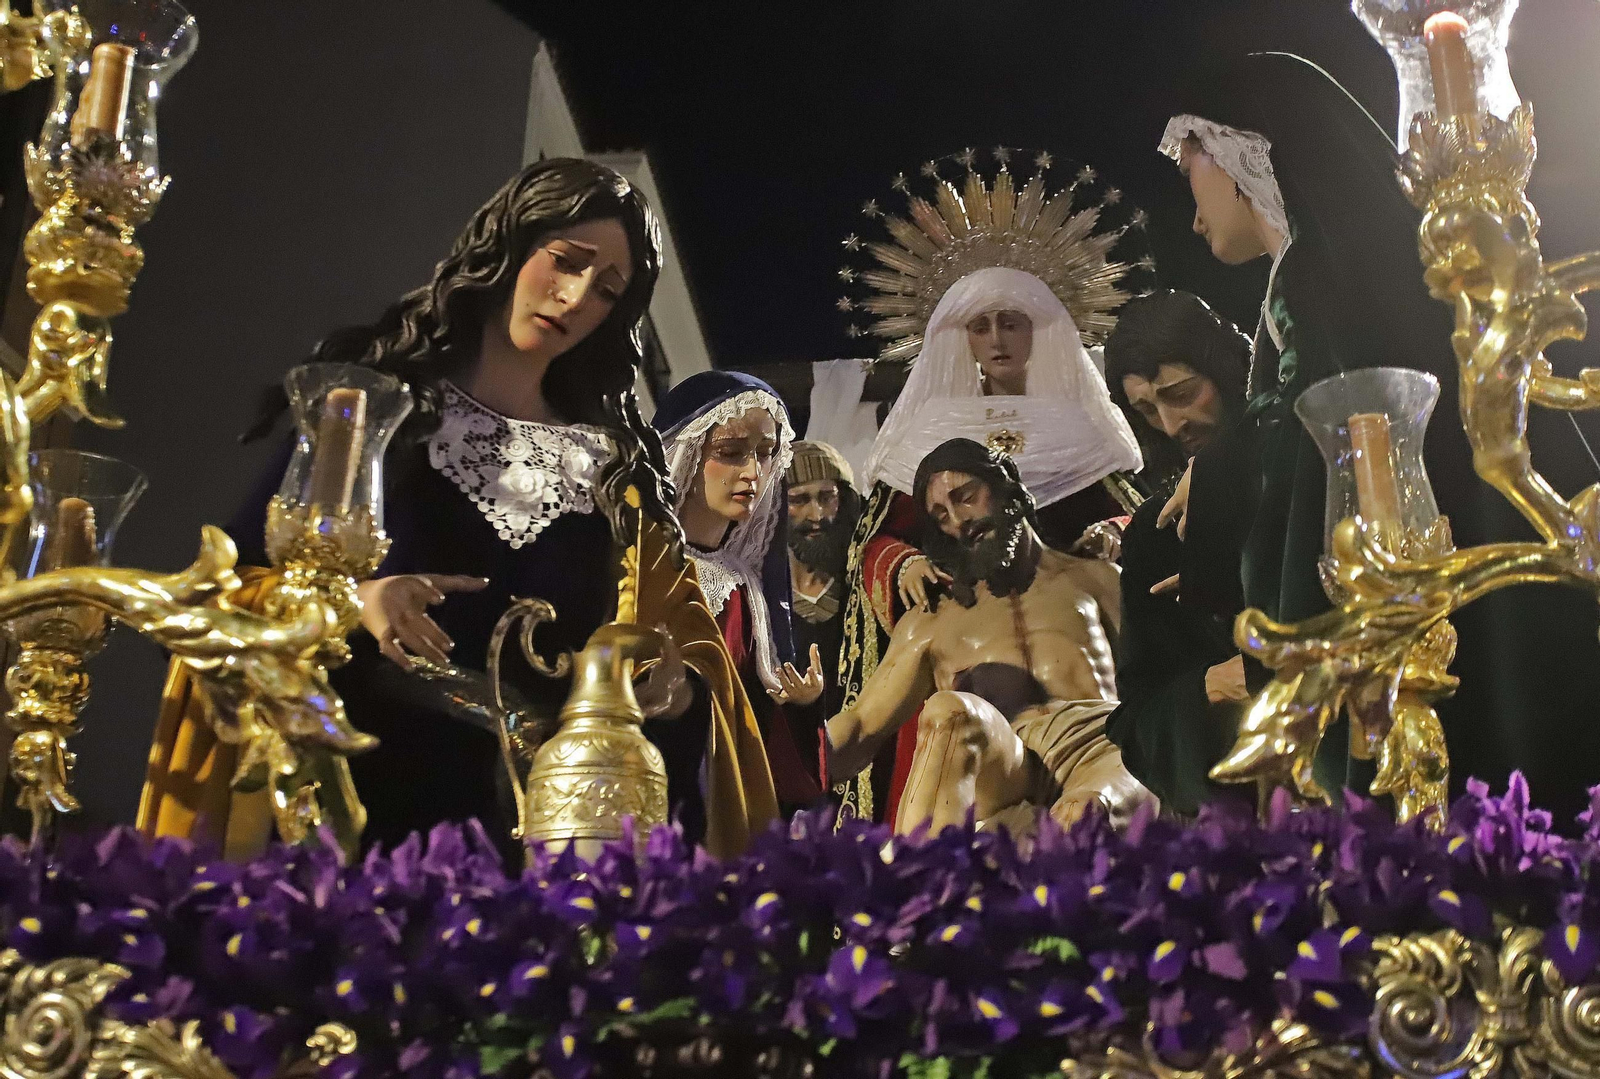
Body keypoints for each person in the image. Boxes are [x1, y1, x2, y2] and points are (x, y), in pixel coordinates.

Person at [139, 159, 780, 859]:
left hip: (534, 836)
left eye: (606, 291)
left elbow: (690, 663)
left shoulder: (613, 475)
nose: (573, 297)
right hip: (356, 806)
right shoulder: (372, 413)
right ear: (509, 244)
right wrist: (357, 601)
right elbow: (229, 589)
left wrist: (672, 690)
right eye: (565, 261)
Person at [1158, 53, 1600, 819]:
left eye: (1190, 162)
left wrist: (1226, 470)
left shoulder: (1324, 285)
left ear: (1238, 155)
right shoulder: (1321, 281)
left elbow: (1344, 434)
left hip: (1395, 609)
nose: (1192, 211)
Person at [826, 438, 1153, 836]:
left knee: (1082, 814)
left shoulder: (1095, 581)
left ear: (1005, 484)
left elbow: (1166, 679)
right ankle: (919, 881)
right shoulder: (931, 622)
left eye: (965, 497)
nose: (958, 522)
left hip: (1103, 750)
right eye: (941, 516)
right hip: (1005, 764)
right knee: (949, 710)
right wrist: (780, 756)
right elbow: (861, 726)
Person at [1101, 290, 1253, 815]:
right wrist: (1213, 686)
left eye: (1183, 393)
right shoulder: (1155, 533)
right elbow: (1137, 719)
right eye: (1146, 409)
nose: (1169, 425)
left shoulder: (1308, 481)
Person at [653, 370, 825, 814]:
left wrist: (799, 707)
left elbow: (754, 717)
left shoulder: (742, 582)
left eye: (766, 454)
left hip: (728, 795)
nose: (752, 473)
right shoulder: (645, 567)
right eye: (730, 453)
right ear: (684, 455)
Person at [784, 440, 861, 783]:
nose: (816, 516)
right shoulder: (761, 594)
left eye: (826, 498)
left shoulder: (861, 585)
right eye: (799, 500)